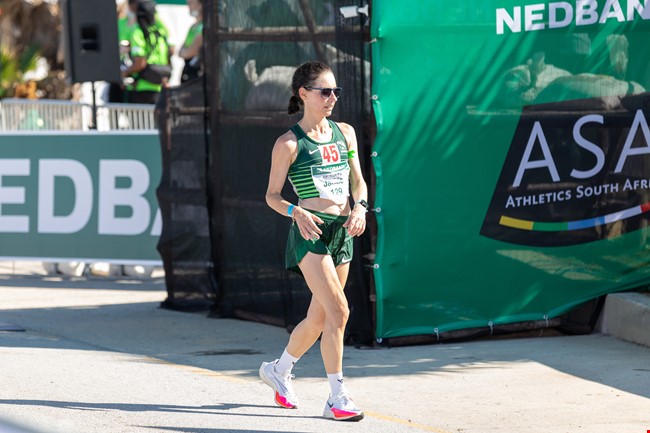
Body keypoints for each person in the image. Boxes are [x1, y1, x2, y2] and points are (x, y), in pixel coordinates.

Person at [260, 61, 369, 422]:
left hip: (343, 231)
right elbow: (272, 196)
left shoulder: (345, 132)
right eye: (325, 91)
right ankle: (337, 397)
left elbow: (358, 182)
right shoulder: (289, 144)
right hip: (311, 234)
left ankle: (279, 369)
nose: (332, 98)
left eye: (336, 91)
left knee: (319, 318)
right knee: (340, 312)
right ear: (304, 94)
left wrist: (361, 208)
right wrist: (296, 212)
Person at [121, 0, 171, 104]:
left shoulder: (138, 32)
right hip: (160, 87)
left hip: (141, 88)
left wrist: (124, 73)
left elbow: (140, 63)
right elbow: (169, 54)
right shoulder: (160, 32)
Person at [179, 0, 203, 83]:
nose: (188, 5)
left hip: (197, 74)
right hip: (188, 71)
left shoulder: (203, 27)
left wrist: (186, 51)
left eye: (191, 2)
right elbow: (180, 52)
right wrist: (186, 52)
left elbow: (190, 52)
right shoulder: (193, 27)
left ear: (200, 5)